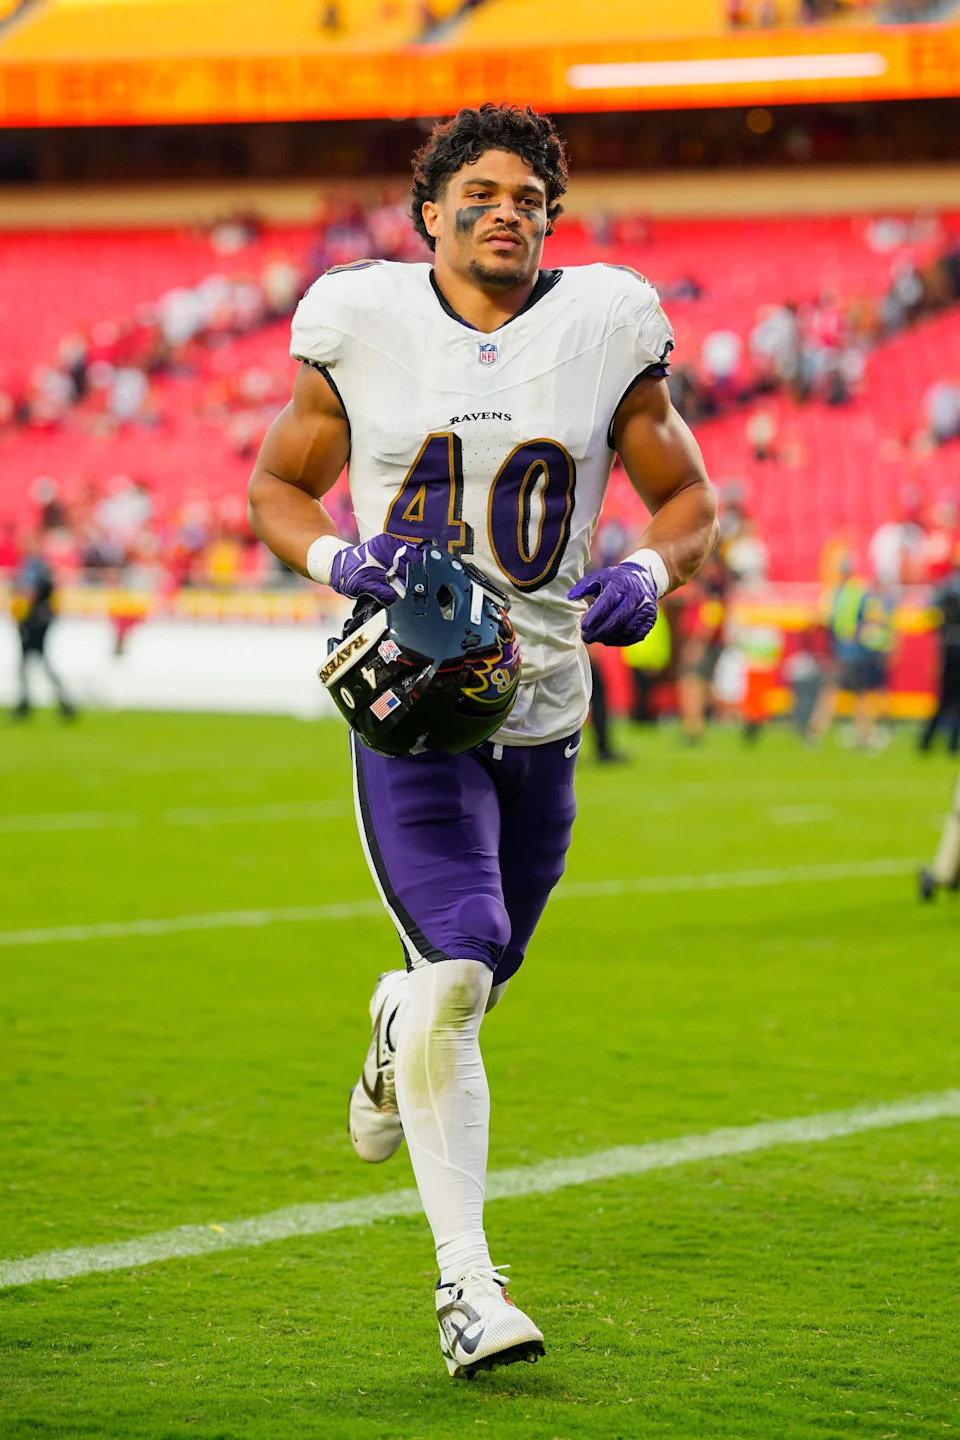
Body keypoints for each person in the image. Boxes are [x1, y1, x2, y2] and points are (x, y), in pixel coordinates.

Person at [247, 104, 717, 1378]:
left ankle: (390, 1021)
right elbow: (278, 485)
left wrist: (650, 574)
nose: (508, 210)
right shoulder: (363, 317)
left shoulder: (607, 321)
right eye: (484, 192)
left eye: (530, 196)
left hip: (547, 705)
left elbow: (686, 497)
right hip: (414, 705)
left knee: (475, 978)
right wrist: (343, 560)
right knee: (457, 971)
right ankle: (469, 1290)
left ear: (552, 218)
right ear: (431, 213)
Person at [10, 536, 74, 721]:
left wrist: (19, 612)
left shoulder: (32, 568)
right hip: (38, 620)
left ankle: (28, 704)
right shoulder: (39, 567)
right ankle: (61, 703)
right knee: (39, 663)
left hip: (33, 621)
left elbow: (28, 593)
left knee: (30, 664)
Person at [919, 553, 960, 754]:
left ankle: (927, 741)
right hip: (955, 647)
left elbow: (931, 615)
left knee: (943, 697)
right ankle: (952, 744)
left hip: (947, 646)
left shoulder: (945, 587)